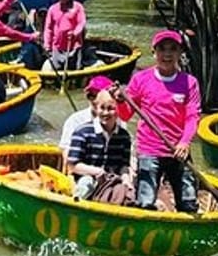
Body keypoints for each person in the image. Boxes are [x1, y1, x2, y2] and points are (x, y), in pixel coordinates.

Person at [125, 30, 201, 213]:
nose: (167, 54)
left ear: (180, 53)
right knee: (145, 202)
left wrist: (185, 142)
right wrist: (120, 101)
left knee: (188, 202)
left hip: (178, 151)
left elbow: (192, 116)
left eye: (172, 49)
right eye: (162, 49)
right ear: (154, 52)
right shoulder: (140, 80)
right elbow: (125, 114)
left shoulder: (189, 82)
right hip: (149, 150)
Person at [67, 89, 133, 201]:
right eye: (102, 108)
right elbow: (73, 165)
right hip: (84, 177)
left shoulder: (124, 136)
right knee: (86, 183)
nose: (105, 113)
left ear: (118, 111)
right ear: (97, 109)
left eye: (110, 109)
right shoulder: (83, 132)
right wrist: (96, 171)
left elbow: (124, 165)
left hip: (111, 180)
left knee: (126, 192)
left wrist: (126, 179)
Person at [59, 75, 132, 157]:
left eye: (98, 96)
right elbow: (67, 153)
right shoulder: (75, 120)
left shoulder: (119, 121)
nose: (94, 101)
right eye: (91, 96)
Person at [43, 0, 87, 71]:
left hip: (74, 45)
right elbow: (48, 28)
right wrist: (47, 44)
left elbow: (82, 22)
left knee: (75, 69)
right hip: (57, 46)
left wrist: (75, 33)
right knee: (57, 70)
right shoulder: (52, 9)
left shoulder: (78, 7)